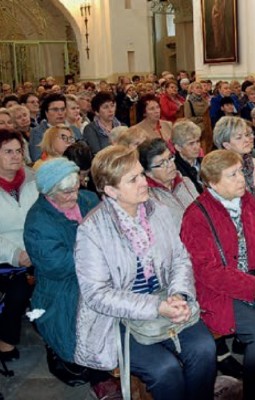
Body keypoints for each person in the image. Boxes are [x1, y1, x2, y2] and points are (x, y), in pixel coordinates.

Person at [73, 145, 217, 400]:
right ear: (110, 190)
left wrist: (179, 294)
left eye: (141, 174)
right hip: (116, 318)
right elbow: (97, 295)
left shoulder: (156, 210)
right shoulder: (92, 230)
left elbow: (180, 258)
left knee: (205, 349)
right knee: (165, 370)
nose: (144, 182)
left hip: (165, 301)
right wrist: (157, 306)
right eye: (133, 179)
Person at [181, 150, 255, 400]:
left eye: (241, 171)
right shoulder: (196, 216)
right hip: (218, 292)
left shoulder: (246, 201)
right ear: (213, 183)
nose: (242, 179)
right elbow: (207, 272)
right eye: (233, 174)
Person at [23, 159, 114, 396]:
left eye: (77, 187)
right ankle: (99, 376)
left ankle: (129, 358)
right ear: (49, 193)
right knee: (88, 313)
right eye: (67, 192)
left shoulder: (88, 199)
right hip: (63, 286)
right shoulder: (38, 222)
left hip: (100, 271)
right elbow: (59, 265)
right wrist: (96, 252)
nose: (75, 195)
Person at [0, 129, 37, 363]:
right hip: (5, 257)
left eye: (18, 150)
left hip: (36, 250)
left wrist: (39, 247)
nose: (15, 156)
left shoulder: (34, 179)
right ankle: (5, 342)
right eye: (7, 152)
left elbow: (46, 216)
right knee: (18, 289)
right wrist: (14, 254)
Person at [138, 138, 199, 227]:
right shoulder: (148, 198)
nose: (170, 164)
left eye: (170, 158)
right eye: (162, 163)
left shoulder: (186, 182)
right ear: (148, 173)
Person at [213, 116, 255, 200]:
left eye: (246, 135)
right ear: (227, 145)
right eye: (239, 137)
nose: (247, 140)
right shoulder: (221, 172)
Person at [29, 93, 67, 161]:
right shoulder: (37, 133)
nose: (60, 113)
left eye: (63, 109)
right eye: (55, 109)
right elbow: (38, 159)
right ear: (46, 112)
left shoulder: (74, 129)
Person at [172, 120, 204, 193]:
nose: (197, 147)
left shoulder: (204, 162)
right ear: (178, 147)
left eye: (198, 141)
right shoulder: (175, 171)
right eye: (191, 143)